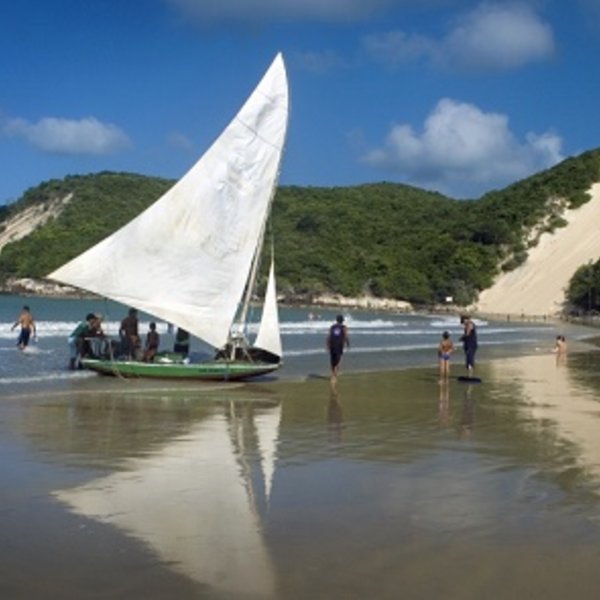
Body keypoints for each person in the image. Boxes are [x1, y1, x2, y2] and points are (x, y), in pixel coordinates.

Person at [326, 314, 350, 381]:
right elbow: (346, 336)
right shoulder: (344, 327)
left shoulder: (332, 327)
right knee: (338, 360)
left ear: (336, 320)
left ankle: (332, 374)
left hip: (332, 345)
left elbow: (328, 336)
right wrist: (348, 344)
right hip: (339, 345)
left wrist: (327, 345)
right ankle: (335, 375)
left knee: (332, 360)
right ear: (342, 321)